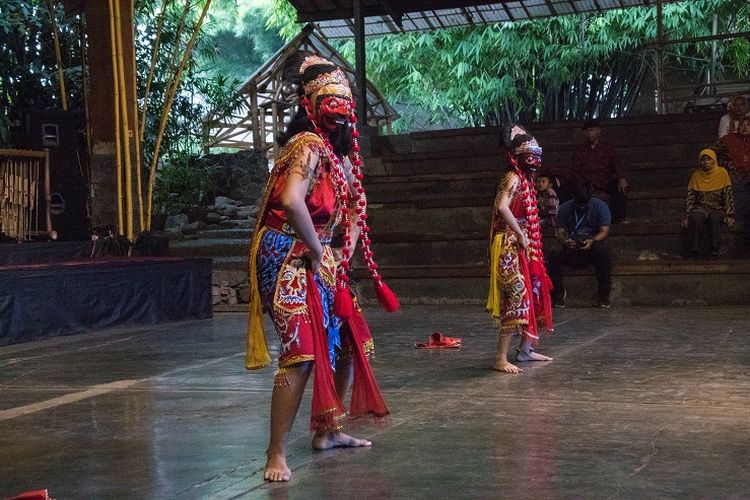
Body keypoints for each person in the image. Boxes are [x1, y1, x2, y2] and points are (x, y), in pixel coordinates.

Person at [245, 54, 397, 482]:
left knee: (349, 339)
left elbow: (350, 210)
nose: (340, 109)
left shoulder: (334, 153)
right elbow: (292, 201)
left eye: (344, 101)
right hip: (286, 251)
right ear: (311, 104)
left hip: (315, 250)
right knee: (303, 351)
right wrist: (316, 249)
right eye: (330, 100)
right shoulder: (308, 146)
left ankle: (328, 431)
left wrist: (336, 253)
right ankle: (275, 452)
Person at [486, 125, 554, 374]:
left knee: (535, 291)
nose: (535, 162)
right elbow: (503, 207)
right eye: (530, 157)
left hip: (524, 244)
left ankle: (525, 350)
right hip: (508, 244)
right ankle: (500, 357)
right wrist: (519, 233)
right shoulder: (513, 177)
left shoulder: (525, 179)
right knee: (517, 295)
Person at [547, 180, 613, 308]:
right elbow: (559, 233)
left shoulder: (601, 207)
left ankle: (604, 296)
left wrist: (593, 240)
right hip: (571, 246)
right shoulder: (565, 208)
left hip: (592, 245)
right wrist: (565, 241)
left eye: (584, 203)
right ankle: (558, 296)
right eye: (579, 203)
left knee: (603, 252)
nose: (581, 207)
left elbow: (604, 231)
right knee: (554, 252)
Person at [571, 119, 628, 223]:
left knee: (619, 189)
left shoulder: (608, 147)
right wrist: (582, 182)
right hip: (586, 182)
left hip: (604, 180)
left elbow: (617, 163)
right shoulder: (580, 149)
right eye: (587, 131)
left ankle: (618, 219)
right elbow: (575, 170)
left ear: (598, 131)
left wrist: (622, 177)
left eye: (592, 130)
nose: (589, 133)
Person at [681, 149, 735, 259]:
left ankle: (714, 251)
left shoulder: (722, 173)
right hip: (699, 207)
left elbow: (728, 195)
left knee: (715, 218)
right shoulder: (696, 175)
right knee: (696, 218)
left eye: (709, 159)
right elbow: (691, 197)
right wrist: (687, 215)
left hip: (717, 208)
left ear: (714, 160)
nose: (706, 162)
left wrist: (729, 214)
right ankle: (694, 250)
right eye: (703, 160)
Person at [717, 116, 750, 251]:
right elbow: (711, 152)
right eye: (742, 124)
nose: (745, 127)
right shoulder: (729, 140)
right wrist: (727, 167)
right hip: (738, 179)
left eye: (748, 124)